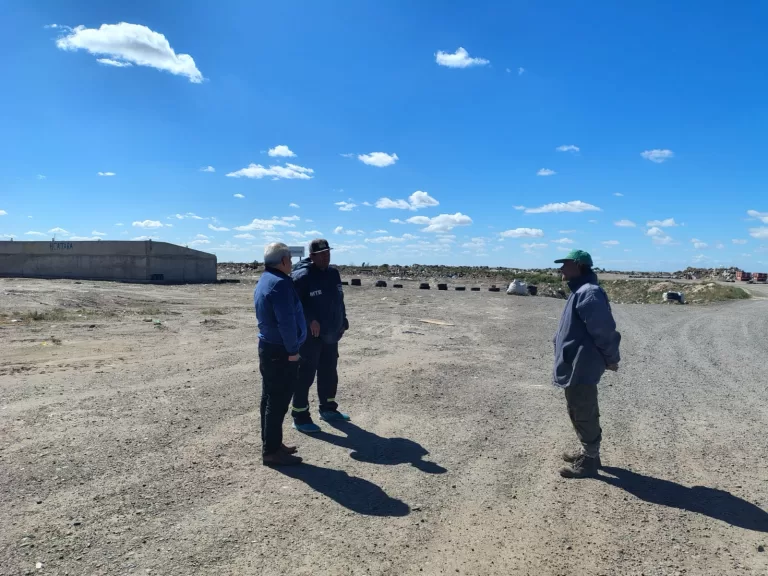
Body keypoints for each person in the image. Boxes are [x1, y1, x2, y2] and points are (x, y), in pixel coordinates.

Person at [553, 250, 621, 479]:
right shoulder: (579, 291)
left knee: (583, 409)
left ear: (580, 266)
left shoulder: (588, 293)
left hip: (583, 363)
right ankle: (589, 451)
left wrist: (612, 358)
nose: (561, 268)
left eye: (566, 264)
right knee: (578, 407)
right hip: (575, 362)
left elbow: (604, 330)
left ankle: (589, 460)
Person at [254, 242, 307, 466]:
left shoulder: (266, 279)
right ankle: (271, 452)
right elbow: (286, 322)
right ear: (284, 260)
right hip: (281, 351)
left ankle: (274, 444)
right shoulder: (281, 284)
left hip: (269, 348)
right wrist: (293, 352)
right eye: (290, 260)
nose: (292, 263)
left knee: (269, 399)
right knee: (277, 402)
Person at [290, 239, 350, 433]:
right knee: (305, 375)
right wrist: (310, 319)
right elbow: (294, 304)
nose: (326, 256)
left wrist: (344, 320)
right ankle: (300, 416)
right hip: (310, 336)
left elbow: (338, 300)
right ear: (312, 256)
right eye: (322, 254)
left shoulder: (333, 273)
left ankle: (328, 409)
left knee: (329, 373)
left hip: (331, 333)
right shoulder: (303, 276)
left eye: (328, 253)